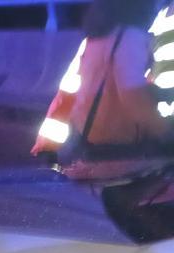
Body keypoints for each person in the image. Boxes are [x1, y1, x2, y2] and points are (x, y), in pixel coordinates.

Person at [61, 0, 170, 163]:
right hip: (117, 147)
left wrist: (159, 93)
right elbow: (132, 98)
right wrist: (166, 133)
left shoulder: (101, 35)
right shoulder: (129, 38)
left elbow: (110, 85)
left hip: (93, 139)